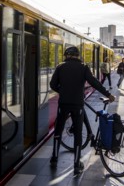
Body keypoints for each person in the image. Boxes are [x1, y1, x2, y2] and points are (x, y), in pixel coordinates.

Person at [49, 46, 115, 175]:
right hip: (77, 105)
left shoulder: (60, 67)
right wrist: (108, 94)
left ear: (67, 55)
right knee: (78, 133)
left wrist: (62, 91)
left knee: (58, 130)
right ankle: (76, 164)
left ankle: (54, 158)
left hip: (63, 104)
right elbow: (95, 82)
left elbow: (52, 84)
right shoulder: (84, 67)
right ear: (77, 55)